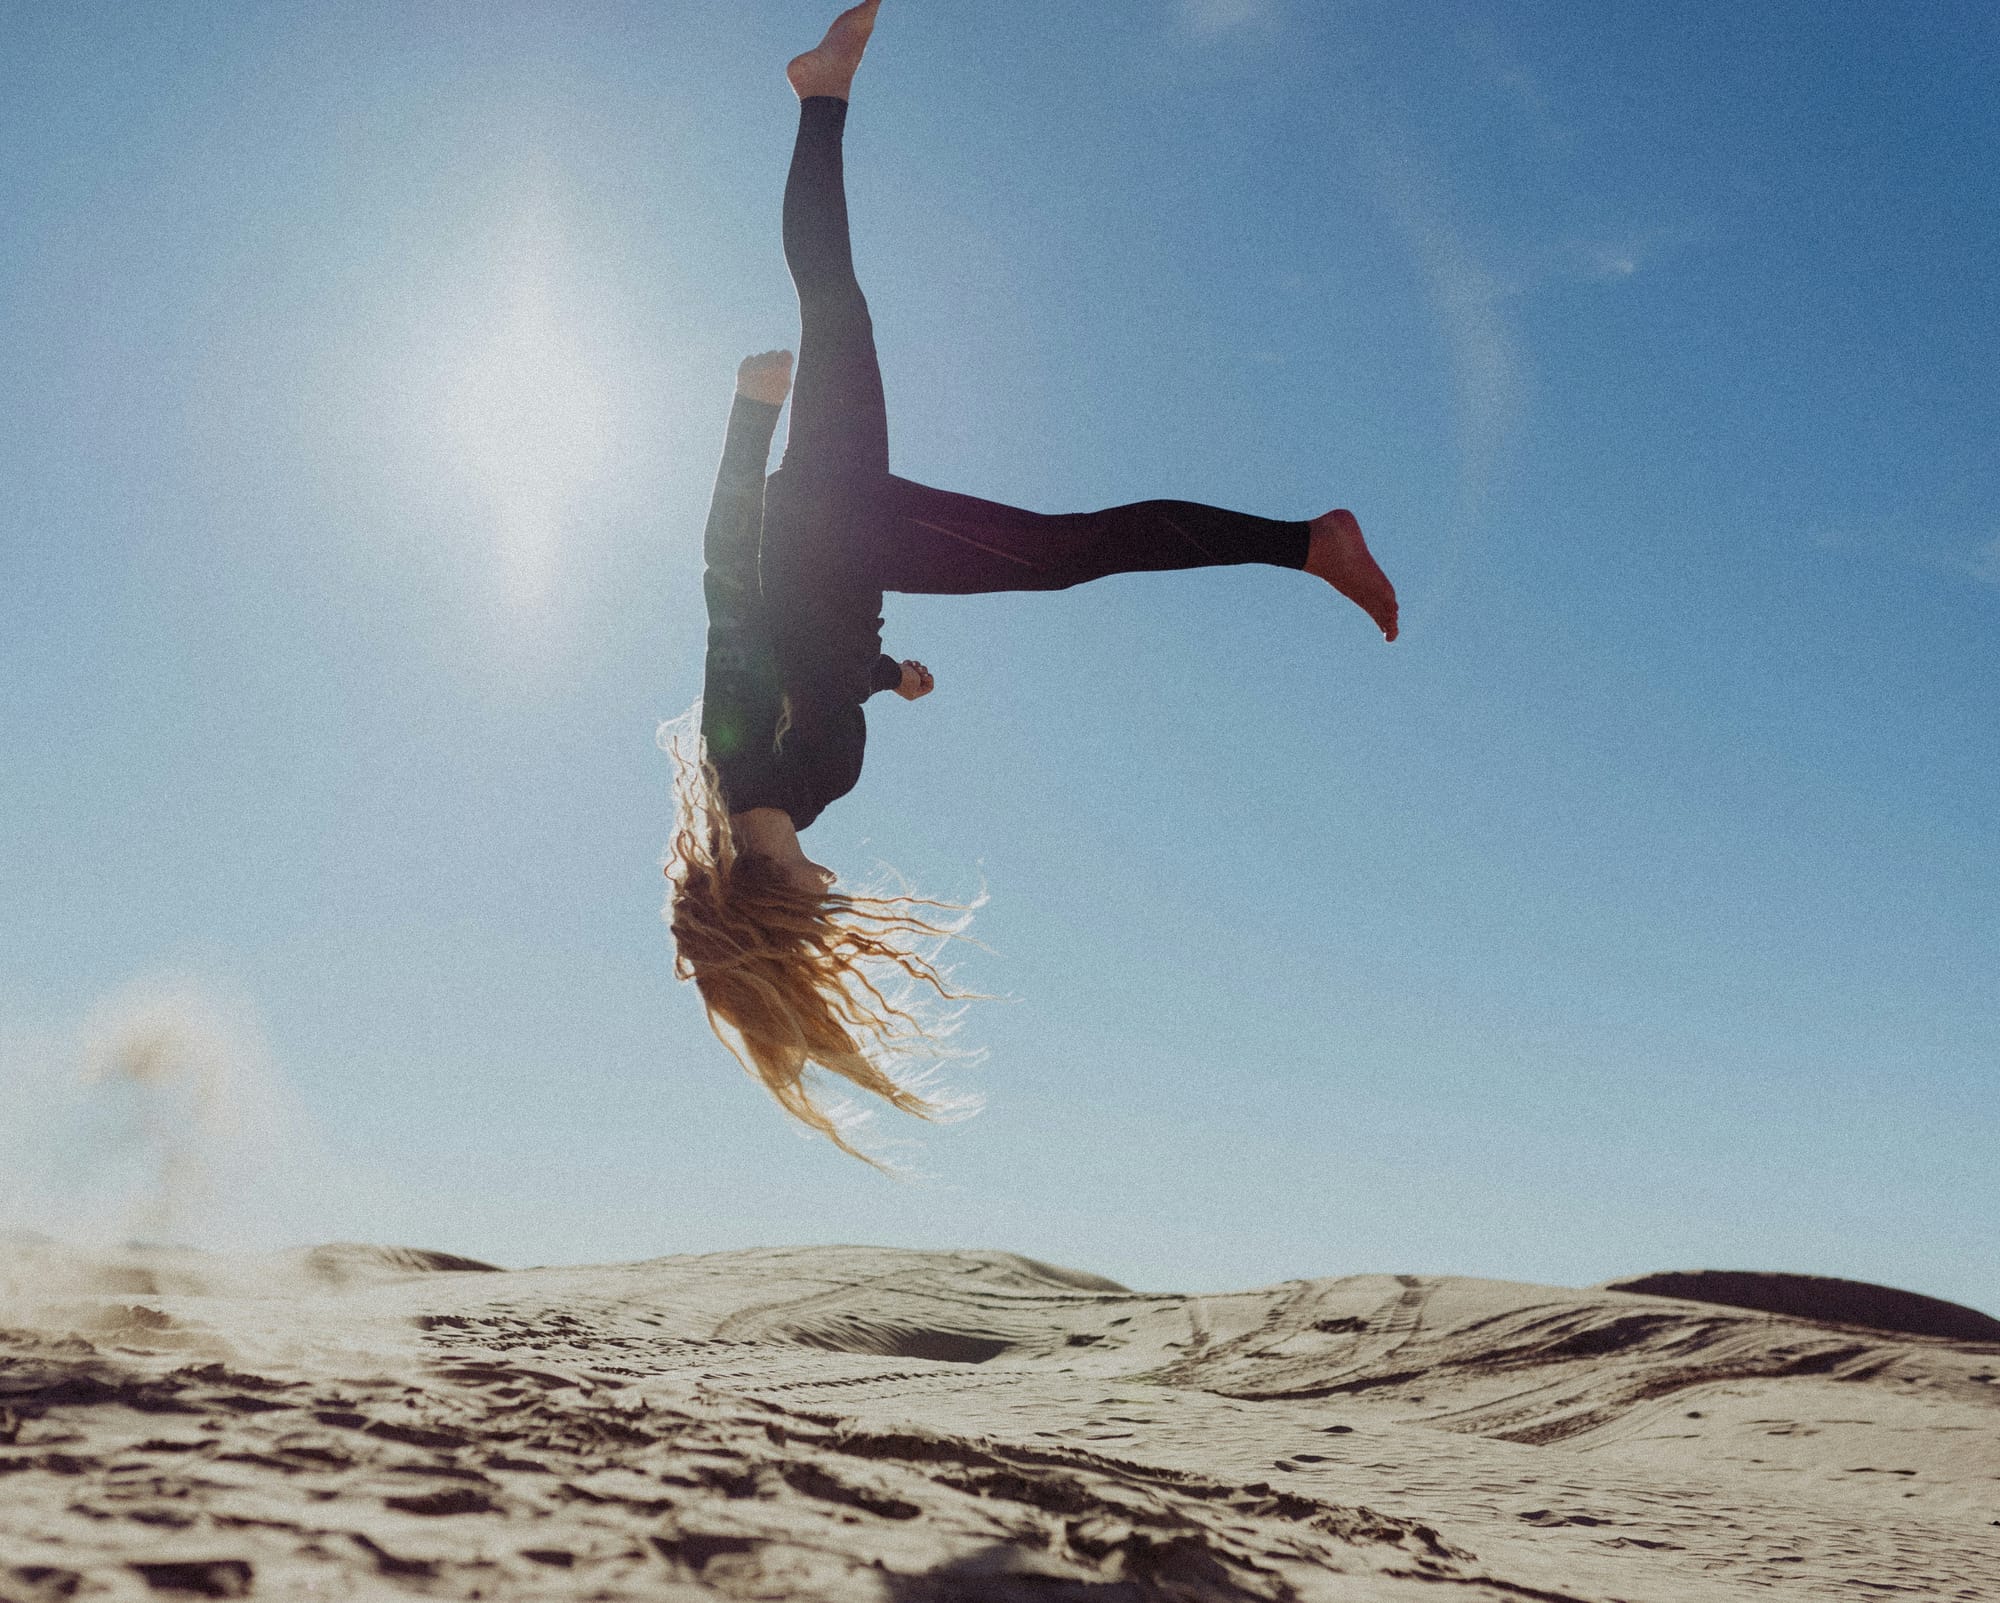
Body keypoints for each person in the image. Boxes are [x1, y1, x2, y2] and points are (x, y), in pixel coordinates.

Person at [666, 0, 1398, 1161]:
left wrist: (747, 425)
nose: (829, 909)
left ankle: (1310, 543)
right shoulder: (811, 792)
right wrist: (885, 670)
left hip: (820, 521)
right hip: (865, 551)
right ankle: (1309, 543)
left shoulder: (738, 756)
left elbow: (727, 590)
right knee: (1048, 538)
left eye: (801, 925)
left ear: (757, 900)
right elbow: (816, 658)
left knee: (876, 350)